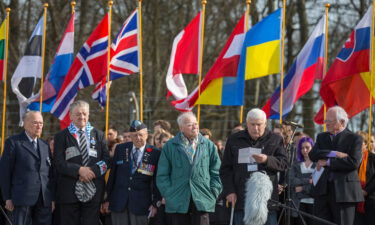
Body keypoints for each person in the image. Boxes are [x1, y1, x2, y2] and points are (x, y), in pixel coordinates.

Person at [220, 108, 288, 225]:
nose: (256, 128)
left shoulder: (275, 139)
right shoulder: (234, 139)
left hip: (267, 201)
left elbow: (284, 163)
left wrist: (267, 159)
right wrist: (229, 191)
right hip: (240, 199)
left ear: (265, 124)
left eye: (259, 124)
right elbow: (226, 169)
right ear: (247, 123)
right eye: (252, 124)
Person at [156, 112, 222, 225]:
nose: (195, 126)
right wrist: (169, 195)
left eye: (196, 123)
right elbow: (162, 175)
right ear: (181, 127)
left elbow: (217, 172)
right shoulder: (170, 146)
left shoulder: (208, 145)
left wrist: (213, 193)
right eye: (190, 124)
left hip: (202, 199)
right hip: (178, 200)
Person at [54, 100, 110, 225]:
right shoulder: (61, 136)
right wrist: (79, 170)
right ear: (71, 115)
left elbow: (106, 161)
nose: (82, 117)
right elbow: (58, 163)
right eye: (78, 114)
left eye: (84, 113)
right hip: (69, 193)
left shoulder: (99, 135)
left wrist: (92, 172)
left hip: (94, 191)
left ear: (89, 114)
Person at [309, 106, 363, 225]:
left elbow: (353, 162)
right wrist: (334, 154)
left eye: (330, 121)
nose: (326, 123)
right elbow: (313, 154)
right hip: (322, 191)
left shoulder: (355, 138)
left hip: (344, 193)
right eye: (326, 120)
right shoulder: (321, 136)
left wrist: (327, 162)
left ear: (342, 122)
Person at [0, 111, 54, 225]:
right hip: (21, 200)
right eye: (35, 123)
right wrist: (7, 197)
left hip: (44, 200)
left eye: (41, 123)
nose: (39, 126)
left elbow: (50, 174)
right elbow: (5, 172)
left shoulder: (44, 145)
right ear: (25, 124)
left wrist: (52, 198)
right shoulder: (13, 142)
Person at [105, 120, 160, 225]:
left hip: (141, 204)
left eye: (140, 135)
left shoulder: (155, 153)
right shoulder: (121, 149)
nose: (138, 138)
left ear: (146, 135)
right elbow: (113, 176)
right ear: (130, 135)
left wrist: (155, 203)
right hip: (119, 202)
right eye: (134, 135)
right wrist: (108, 199)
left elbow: (157, 180)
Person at [290, 137, 315, 225]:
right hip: (299, 203)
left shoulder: (317, 164)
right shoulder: (296, 164)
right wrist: (308, 180)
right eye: (302, 148)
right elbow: (291, 181)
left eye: (307, 147)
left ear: (312, 147)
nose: (304, 150)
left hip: (314, 203)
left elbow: (318, 184)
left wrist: (302, 188)